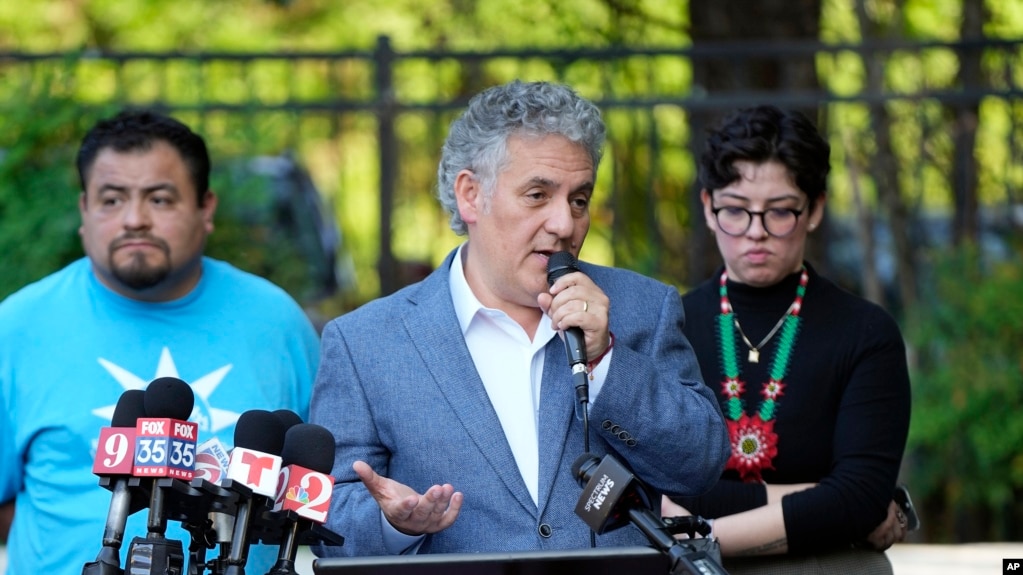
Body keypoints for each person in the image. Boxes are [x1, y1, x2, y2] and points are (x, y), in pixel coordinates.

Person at [309, 80, 730, 557]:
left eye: (579, 199)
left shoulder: (640, 307)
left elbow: (699, 467)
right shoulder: (364, 342)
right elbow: (330, 522)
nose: (565, 224)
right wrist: (395, 525)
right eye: (537, 195)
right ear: (470, 195)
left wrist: (606, 361)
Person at [0, 109, 320, 575]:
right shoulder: (17, 327)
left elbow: (317, 491)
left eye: (160, 199)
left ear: (205, 208)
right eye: (111, 200)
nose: (135, 220)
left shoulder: (278, 324)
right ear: (84, 211)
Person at [660, 105, 912, 573]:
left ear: (814, 208)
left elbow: (859, 497)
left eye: (779, 212)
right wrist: (828, 498)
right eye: (735, 210)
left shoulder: (865, 333)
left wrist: (701, 537)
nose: (756, 233)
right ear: (708, 208)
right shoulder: (668, 325)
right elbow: (657, 490)